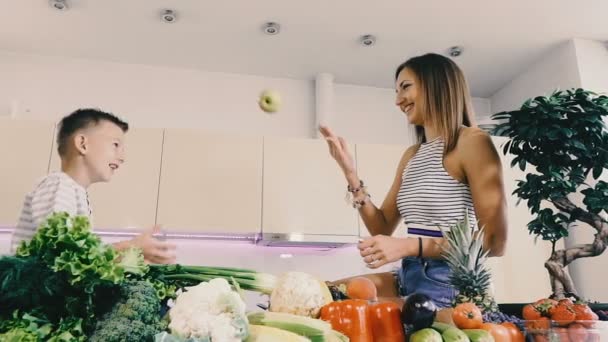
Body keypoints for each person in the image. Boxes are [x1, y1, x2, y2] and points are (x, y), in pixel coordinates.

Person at [320, 53, 508, 308]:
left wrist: (410, 245)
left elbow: (494, 242)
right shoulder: (412, 155)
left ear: (436, 85)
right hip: (411, 273)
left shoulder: (472, 142)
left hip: (450, 282)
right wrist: (350, 173)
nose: (398, 100)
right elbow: (381, 227)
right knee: (324, 293)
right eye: (396, 91)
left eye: (406, 87)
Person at [10, 108, 176, 264]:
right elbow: (60, 255)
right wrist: (129, 247)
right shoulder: (58, 185)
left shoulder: (74, 191)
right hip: (31, 292)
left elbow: (78, 259)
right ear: (83, 144)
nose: (122, 157)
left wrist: (129, 254)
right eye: (116, 145)